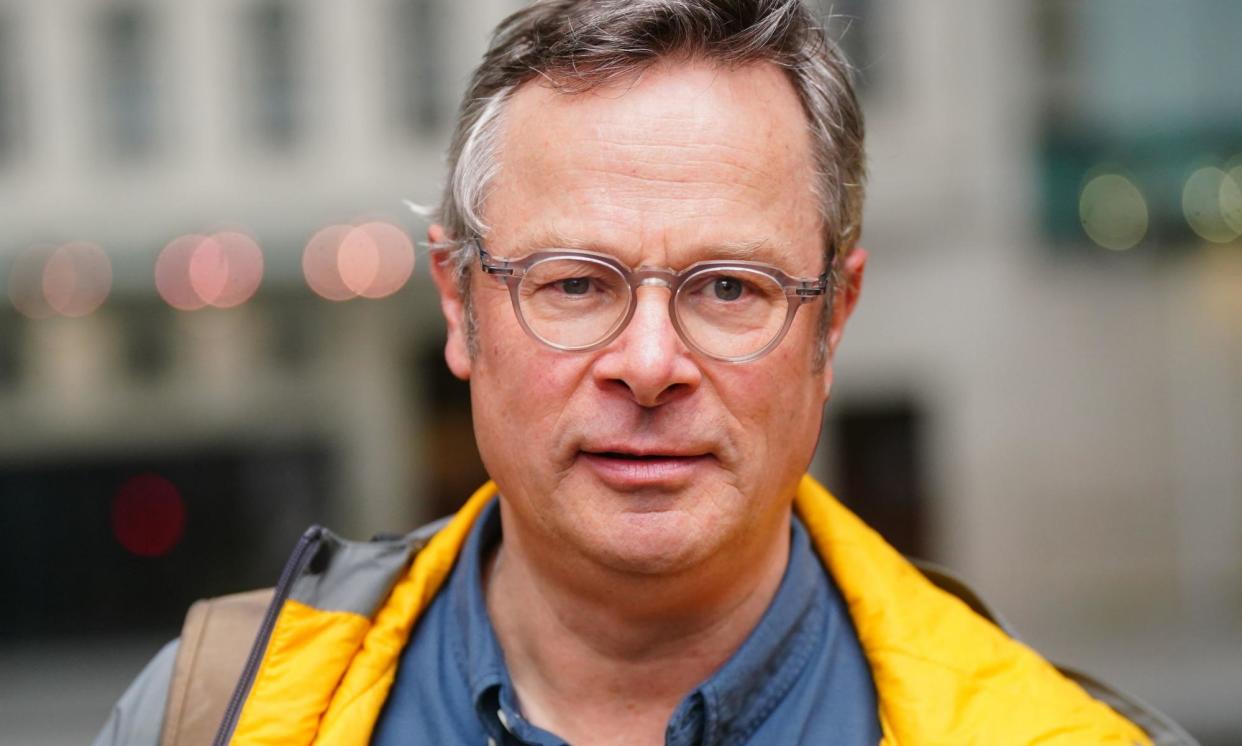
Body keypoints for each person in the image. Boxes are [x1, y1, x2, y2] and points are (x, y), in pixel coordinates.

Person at [95, 1, 1194, 744]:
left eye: (729, 288)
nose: (652, 363)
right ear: (460, 304)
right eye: (575, 283)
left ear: (834, 318)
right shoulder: (211, 712)